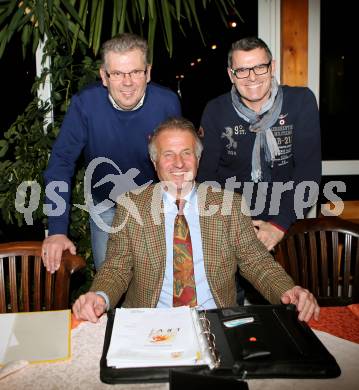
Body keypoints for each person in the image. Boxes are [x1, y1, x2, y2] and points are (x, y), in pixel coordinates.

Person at [72, 117, 320, 324]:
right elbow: (117, 267)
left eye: (186, 153)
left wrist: (288, 291)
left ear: (198, 159)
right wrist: (100, 296)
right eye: (168, 155)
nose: (178, 163)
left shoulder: (229, 205)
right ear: (155, 161)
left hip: (216, 319)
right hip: (150, 322)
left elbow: (256, 261)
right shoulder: (131, 205)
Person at [41, 33, 181, 273]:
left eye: (135, 72)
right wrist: (56, 231)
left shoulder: (167, 103)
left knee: (159, 284)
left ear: (148, 72)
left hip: (155, 206)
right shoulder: (85, 104)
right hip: (105, 205)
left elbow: (179, 163)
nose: (127, 82)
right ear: (104, 77)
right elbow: (61, 163)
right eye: (117, 74)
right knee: (109, 284)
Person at [197, 37, 321, 251]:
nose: (252, 77)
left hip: (288, 225)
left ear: (272, 67)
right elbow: (207, 178)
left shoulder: (301, 101)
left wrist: (277, 226)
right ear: (231, 75)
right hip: (232, 227)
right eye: (242, 70)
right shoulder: (215, 110)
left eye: (260, 67)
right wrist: (240, 227)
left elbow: (308, 173)